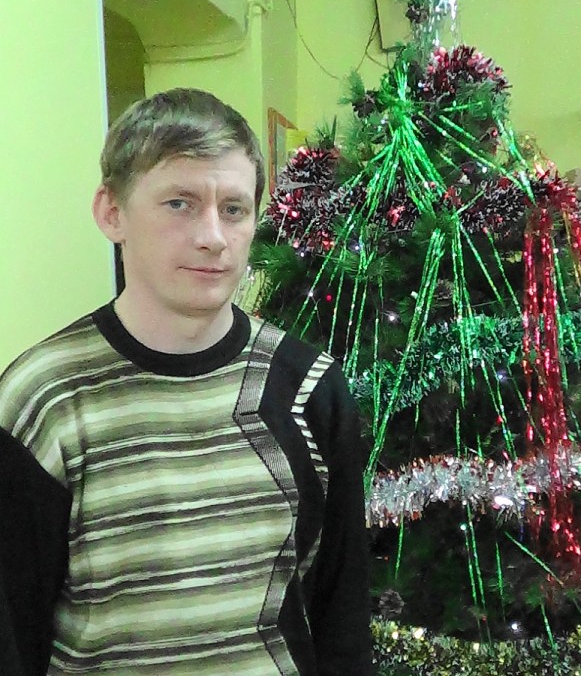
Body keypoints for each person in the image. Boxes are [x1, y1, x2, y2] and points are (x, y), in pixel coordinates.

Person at [0, 88, 373, 676]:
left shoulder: (307, 388)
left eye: (234, 209)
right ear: (112, 213)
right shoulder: (42, 399)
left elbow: (342, 620)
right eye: (180, 203)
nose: (213, 237)